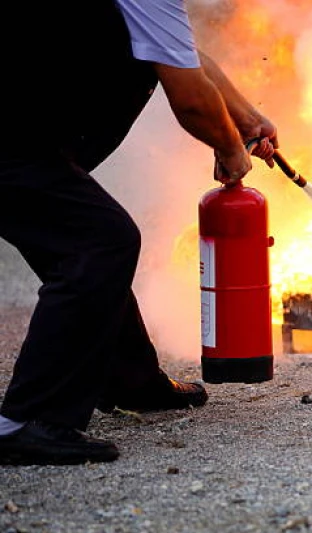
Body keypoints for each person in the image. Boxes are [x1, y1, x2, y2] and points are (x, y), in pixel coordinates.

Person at [0, 1, 278, 465]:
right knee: (99, 242)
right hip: (15, 145)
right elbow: (189, 96)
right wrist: (230, 146)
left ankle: (130, 379)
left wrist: (247, 120)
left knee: (89, 240)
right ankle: (25, 422)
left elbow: (180, 51)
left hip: (28, 140)